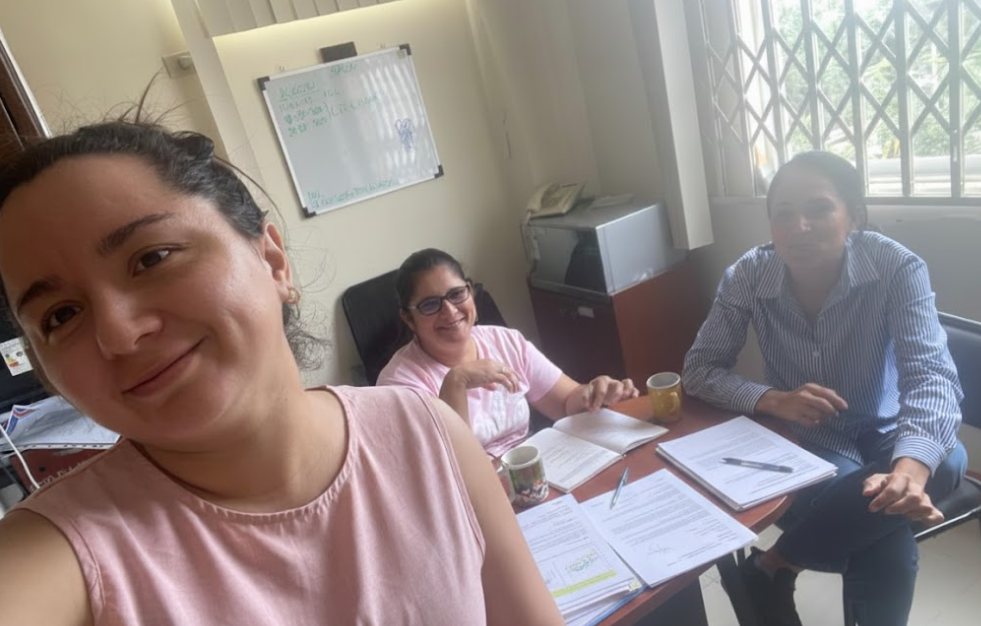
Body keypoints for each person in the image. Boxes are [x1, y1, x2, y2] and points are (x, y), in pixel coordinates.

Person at [0, 121, 564, 626]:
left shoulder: (429, 432)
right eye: (60, 316)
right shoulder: (61, 557)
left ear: (272, 261)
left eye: (152, 258)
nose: (118, 334)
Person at [683, 151, 967, 626]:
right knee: (884, 540)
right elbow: (699, 370)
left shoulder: (896, 267)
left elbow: (931, 374)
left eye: (819, 209)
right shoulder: (748, 275)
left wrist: (909, 471)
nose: (800, 226)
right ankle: (769, 572)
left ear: (853, 216)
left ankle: (770, 566)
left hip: (886, 425)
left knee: (947, 461)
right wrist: (773, 399)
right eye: (784, 213)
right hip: (807, 435)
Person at [377, 249, 639, 456]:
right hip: (472, 496)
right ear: (409, 319)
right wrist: (456, 381)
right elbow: (447, 465)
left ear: (470, 292)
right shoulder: (399, 385)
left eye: (456, 294)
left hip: (537, 471)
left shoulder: (505, 341)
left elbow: (565, 402)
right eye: (429, 305)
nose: (450, 311)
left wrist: (594, 393)